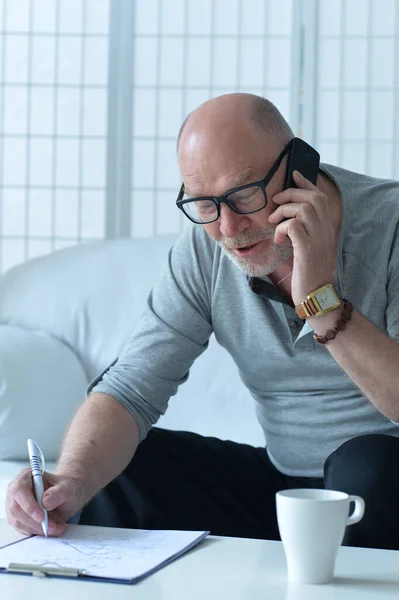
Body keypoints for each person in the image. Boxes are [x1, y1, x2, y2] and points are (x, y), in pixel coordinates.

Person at [6, 93, 399, 550]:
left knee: (366, 466)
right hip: (284, 488)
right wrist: (69, 480)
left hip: (378, 486)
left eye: (243, 194)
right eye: (204, 204)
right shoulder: (203, 249)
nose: (228, 228)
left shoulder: (390, 224)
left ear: (300, 165)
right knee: (123, 467)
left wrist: (320, 299)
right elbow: (133, 385)